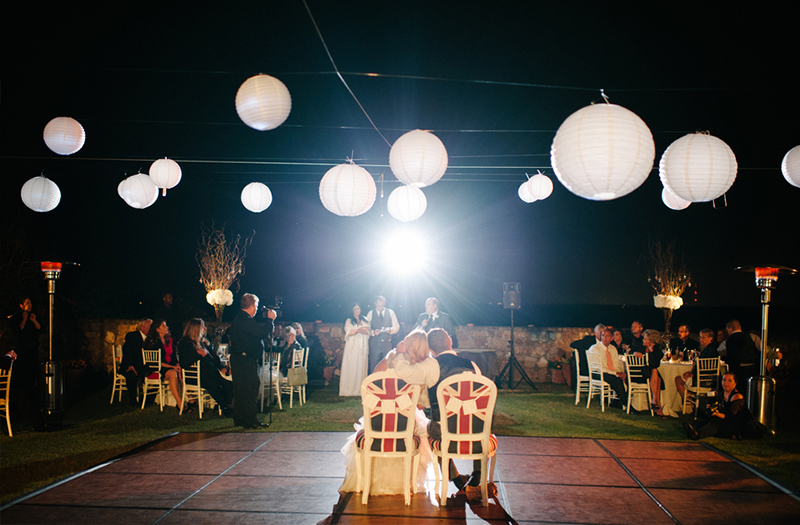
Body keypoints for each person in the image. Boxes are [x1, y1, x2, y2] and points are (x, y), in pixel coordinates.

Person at [339, 330, 436, 496]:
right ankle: (406, 482)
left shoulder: (392, 357)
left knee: (373, 427)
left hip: (378, 417)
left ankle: (368, 480)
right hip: (405, 421)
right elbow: (420, 406)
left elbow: (373, 381)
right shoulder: (423, 367)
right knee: (418, 428)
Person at [396, 328, 487, 498]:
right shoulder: (472, 366)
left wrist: (400, 354)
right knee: (479, 423)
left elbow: (405, 373)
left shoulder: (431, 365)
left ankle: (454, 478)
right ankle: (477, 474)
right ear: (450, 341)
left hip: (444, 432)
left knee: (429, 430)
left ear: (431, 349)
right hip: (475, 431)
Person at [227, 294, 275, 429]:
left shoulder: (239, 318)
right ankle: (249, 420)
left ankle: (240, 418)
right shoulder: (246, 319)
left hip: (239, 359)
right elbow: (262, 333)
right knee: (250, 389)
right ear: (253, 306)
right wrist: (270, 320)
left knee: (241, 390)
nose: (257, 310)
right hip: (245, 360)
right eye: (256, 306)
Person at [682, 372, 765, 440]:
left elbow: (733, 417)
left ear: (735, 383)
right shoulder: (721, 394)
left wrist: (717, 414)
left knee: (716, 423)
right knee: (703, 422)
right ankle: (694, 431)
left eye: (729, 381)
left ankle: (697, 435)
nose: (726, 383)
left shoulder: (737, 397)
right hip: (728, 421)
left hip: (741, 425)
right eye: (724, 380)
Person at [177, 318, 233, 418]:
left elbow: (214, 357)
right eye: (202, 327)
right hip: (196, 376)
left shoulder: (203, 342)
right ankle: (225, 408)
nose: (204, 328)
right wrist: (197, 353)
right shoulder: (185, 343)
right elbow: (184, 362)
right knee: (213, 384)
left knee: (229, 384)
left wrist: (222, 366)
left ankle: (225, 405)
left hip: (211, 372)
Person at [143, 319, 184, 411]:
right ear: (157, 329)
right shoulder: (153, 342)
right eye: (164, 326)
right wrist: (172, 367)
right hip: (157, 369)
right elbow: (157, 362)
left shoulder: (169, 340)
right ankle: (179, 402)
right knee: (173, 373)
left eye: (166, 325)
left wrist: (177, 364)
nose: (167, 327)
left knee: (181, 371)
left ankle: (189, 398)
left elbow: (173, 357)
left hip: (170, 367)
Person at [675, 328, 719, 405]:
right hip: (712, 379)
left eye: (703, 337)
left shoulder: (709, 351)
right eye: (700, 337)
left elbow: (703, 366)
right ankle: (692, 399)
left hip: (703, 380)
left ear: (711, 338)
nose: (701, 339)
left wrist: (692, 374)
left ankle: (691, 400)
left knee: (678, 379)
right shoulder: (712, 349)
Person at [587, 329, 628, 409]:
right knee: (616, 380)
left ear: (611, 338)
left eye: (607, 336)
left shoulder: (613, 349)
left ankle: (616, 401)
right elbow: (600, 368)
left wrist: (619, 373)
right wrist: (615, 374)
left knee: (625, 377)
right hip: (597, 373)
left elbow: (615, 365)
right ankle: (627, 404)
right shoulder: (595, 348)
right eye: (603, 336)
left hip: (608, 373)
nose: (604, 338)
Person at [10, 298, 42, 399]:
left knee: (32, 371)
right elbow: (18, 331)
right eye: (27, 303)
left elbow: (41, 329)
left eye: (30, 303)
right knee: (22, 372)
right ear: (21, 305)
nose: (30, 305)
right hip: (22, 349)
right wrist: (23, 320)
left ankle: (32, 393)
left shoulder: (34, 316)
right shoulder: (16, 317)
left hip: (33, 349)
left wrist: (34, 320)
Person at [339, 303, 371, 397]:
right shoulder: (349, 321)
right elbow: (350, 332)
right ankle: (349, 389)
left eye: (358, 308)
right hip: (353, 347)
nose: (357, 310)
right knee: (352, 366)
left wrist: (357, 329)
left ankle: (360, 389)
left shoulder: (365, 319)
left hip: (362, 347)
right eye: (355, 309)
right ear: (352, 310)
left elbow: (368, 331)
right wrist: (360, 329)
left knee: (361, 366)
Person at [120, 319, 152, 406]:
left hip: (143, 365)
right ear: (142, 327)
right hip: (131, 364)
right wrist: (130, 365)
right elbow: (127, 351)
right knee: (131, 375)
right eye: (150, 327)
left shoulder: (151, 339)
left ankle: (149, 398)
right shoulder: (132, 336)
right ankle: (132, 399)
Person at [364, 296, 399, 374]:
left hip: (387, 344)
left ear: (385, 304)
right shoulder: (370, 313)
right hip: (374, 345)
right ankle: (373, 384)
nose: (380, 308)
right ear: (375, 304)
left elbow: (396, 327)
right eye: (379, 306)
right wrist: (373, 332)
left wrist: (390, 330)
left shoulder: (390, 312)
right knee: (374, 365)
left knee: (387, 365)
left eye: (382, 306)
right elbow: (366, 329)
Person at [636, 329, 666, 418]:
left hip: (650, 373)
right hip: (640, 373)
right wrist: (634, 352)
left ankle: (655, 403)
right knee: (657, 375)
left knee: (656, 375)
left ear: (651, 340)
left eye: (645, 339)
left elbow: (655, 364)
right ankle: (656, 404)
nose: (643, 340)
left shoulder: (657, 350)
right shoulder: (640, 347)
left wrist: (652, 351)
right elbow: (630, 351)